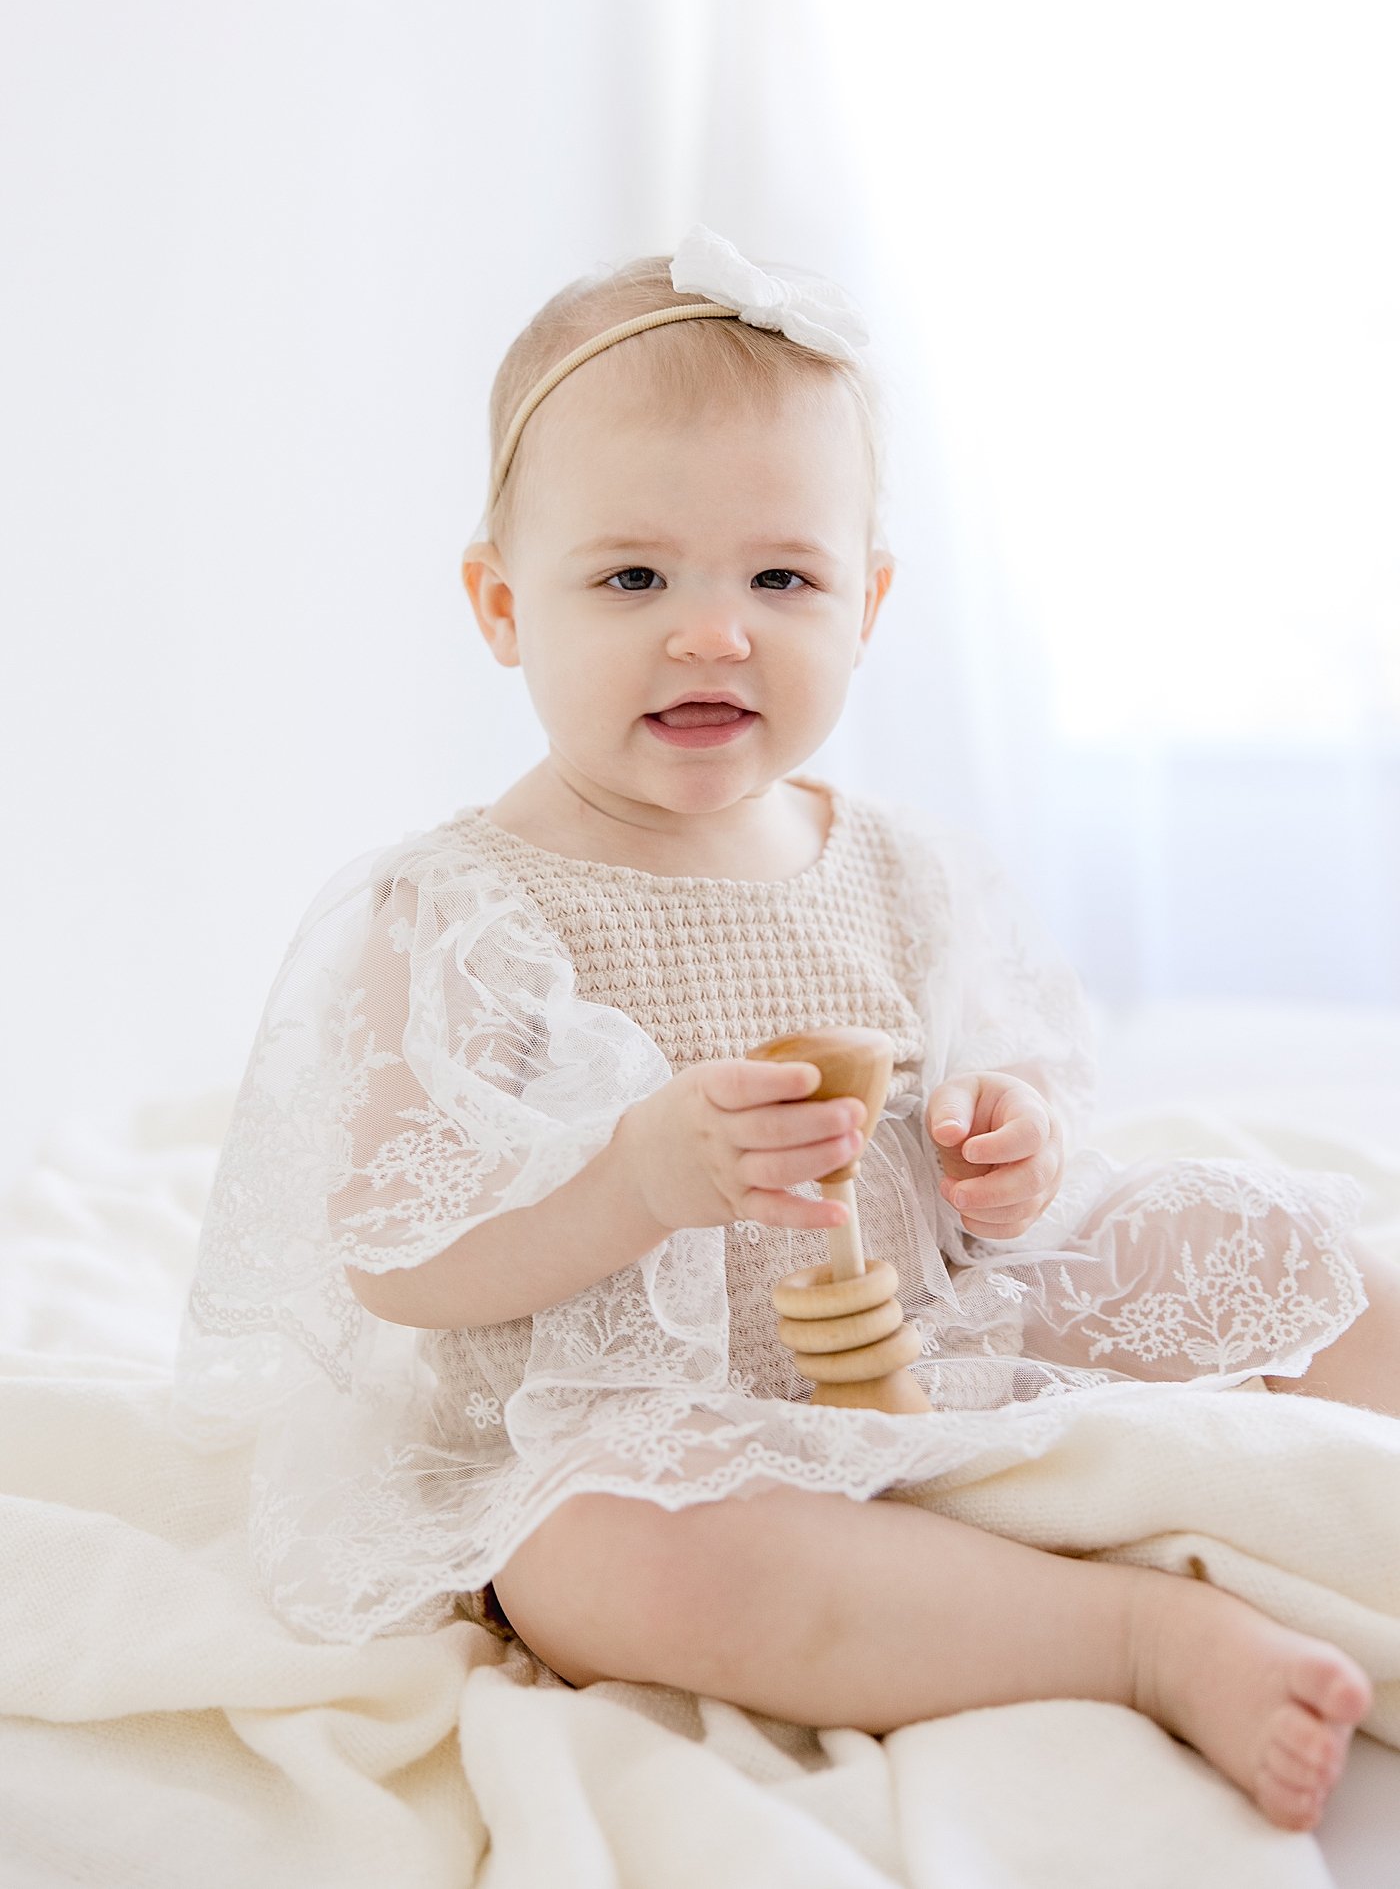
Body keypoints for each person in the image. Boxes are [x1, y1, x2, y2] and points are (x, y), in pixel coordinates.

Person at [172, 224, 1398, 1835]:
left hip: (933, 1325)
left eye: (781, 577)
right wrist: (636, 1182)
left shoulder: (890, 864)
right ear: (499, 605)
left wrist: (1005, 1145)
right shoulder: (469, 909)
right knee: (598, 1561)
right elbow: (402, 1253)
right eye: (631, 578)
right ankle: (1131, 1638)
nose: (712, 632)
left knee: (1270, 1244)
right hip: (644, 1413)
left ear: (868, 601)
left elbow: (1001, 1081)